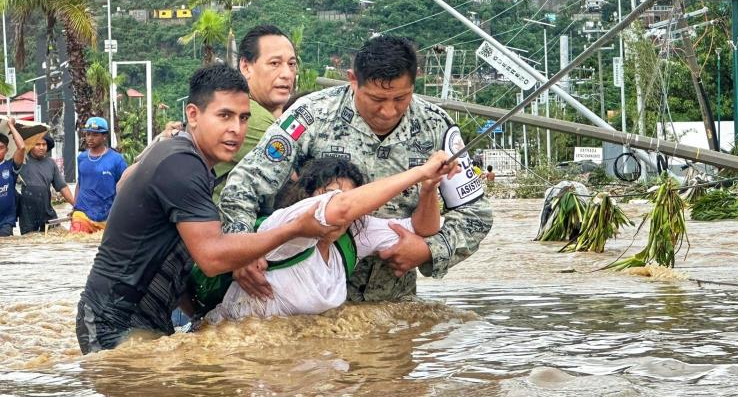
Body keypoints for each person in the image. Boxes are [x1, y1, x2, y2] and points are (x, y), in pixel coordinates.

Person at [76, 64, 332, 354]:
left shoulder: (183, 159)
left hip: (145, 320)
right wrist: (296, 229)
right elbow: (211, 256)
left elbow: (171, 248)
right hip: (113, 323)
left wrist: (199, 315)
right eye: (224, 116)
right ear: (193, 115)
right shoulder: (182, 164)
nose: (236, 129)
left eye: (243, 118)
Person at [220, 35, 494, 303]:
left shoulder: (436, 127)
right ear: (353, 80)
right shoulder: (311, 115)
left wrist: (428, 250)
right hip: (305, 297)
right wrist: (241, 248)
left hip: (394, 303)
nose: (388, 111)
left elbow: (476, 214)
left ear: (414, 81)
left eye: (400, 98)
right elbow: (244, 185)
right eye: (376, 99)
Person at [205, 154, 453, 322]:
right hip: (238, 346)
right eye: (330, 194)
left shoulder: (355, 233)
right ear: (309, 195)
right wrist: (420, 171)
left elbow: (423, 230)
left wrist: (429, 188)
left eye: (352, 197)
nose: (343, 204)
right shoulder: (290, 221)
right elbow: (341, 208)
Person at [213, 24, 298, 200]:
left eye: (291, 64)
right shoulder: (249, 117)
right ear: (245, 67)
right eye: (275, 63)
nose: (287, 74)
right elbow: (301, 178)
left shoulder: (273, 115)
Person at [70, 117, 127, 233]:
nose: (90, 138)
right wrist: (75, 207)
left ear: (104, 136)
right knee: (76, 239)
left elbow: (126, 186)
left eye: (95, 135)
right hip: (82, 213)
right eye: (88, 134)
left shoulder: (117, 160)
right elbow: (80, 183)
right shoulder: (81, 158)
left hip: (108, 214)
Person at [17, 133, 75, 234]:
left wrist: (76, 205)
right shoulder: (21, 160)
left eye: (44, 145)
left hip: (47, 210)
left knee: (58, 236)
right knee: (30, 242)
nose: (41, 147)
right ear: (30, 146)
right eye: (37, 144)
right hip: (27, 213)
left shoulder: (51, 163)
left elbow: (62, 187)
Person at [0, 118, 25, 237]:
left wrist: (11, 126)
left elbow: (21, 148)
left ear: (6, 150)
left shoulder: (10, 166)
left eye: (1, 148)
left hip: (6, 222)